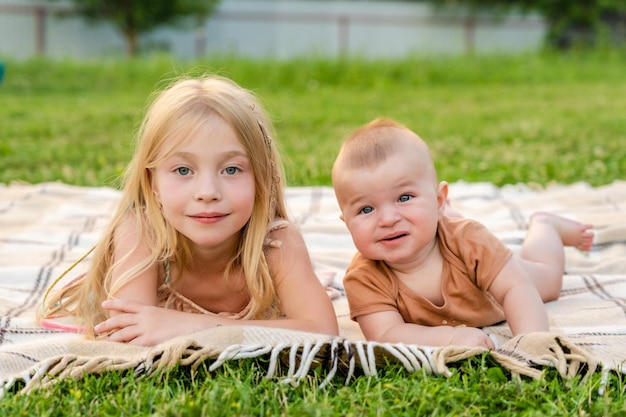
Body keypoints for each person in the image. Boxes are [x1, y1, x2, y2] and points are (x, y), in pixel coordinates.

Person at [40, 75, 339, 346]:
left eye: (232, 169)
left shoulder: (275, 244)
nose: (207, 192)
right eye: (183, 169)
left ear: (261, 179)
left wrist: (190, 326)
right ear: (152, 182)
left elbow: (323, 332)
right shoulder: (142, 231)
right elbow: (128, 334)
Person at [331, 117, 594, 349]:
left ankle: (546, 225)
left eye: (404, 197)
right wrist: (450, 338)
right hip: (444, 233)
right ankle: (440, 214)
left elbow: (516, 288)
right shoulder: (363, 278)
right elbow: (386, 333)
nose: (387, 219)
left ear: (437, 199)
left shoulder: (468, 240)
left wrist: (530, 343)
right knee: (428, 224)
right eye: (366, 209)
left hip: (499, 284)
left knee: (549, 279)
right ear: (346, 222)